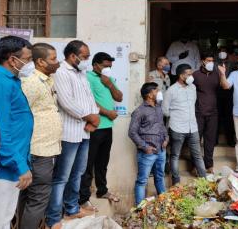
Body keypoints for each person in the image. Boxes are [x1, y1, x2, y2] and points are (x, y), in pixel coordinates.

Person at [45, 40, 100, 229]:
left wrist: (95, 118)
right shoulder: (60, 72)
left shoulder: (81, 72)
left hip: (84, 131)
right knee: (62, 177)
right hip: (69, 132)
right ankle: (53, 218)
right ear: (72, 56)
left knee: (78, 173)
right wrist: (89, 117)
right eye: (85, 56)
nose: (87, 60)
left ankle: (72, 207)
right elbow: (66, 102)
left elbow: (90, 99)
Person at [18, 43, 61, 229]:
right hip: (38, 149)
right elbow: (19, 115)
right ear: (41, 62)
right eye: (53, 59)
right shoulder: (32, 83)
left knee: (31, 198)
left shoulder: (47, 80)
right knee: (38, 198)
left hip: (46, 148)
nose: (57, 62)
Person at [0, 36, 33, 229]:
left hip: (11, 163)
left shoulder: (10, 80)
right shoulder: (0, 83)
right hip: (4, 167)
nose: (30, 64)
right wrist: (18, 164)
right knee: (0, 221)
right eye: (27, 59)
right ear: (12, 59)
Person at [79, 52, 123, 209]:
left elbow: (119, 97)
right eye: (105, 66)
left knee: (102, 162)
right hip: (94, 127)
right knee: (87, 164)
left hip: (107, 128)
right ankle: (83, 198)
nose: (108, 69)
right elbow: (89, 101)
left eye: (110, 67)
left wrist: (109, 84)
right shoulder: (87, 78)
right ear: (95, 65)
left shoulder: (107, 79)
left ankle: (102, 190)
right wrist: (108, 113)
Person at [162, 64, 207, 185]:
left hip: (193, 127)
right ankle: (176, 182)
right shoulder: (171, 90)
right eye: (188, 74)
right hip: (177, 127)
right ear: (181, 75)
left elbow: (193, 103)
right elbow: (165, 111)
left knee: (197, 155)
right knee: (175, 155)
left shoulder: (192, 88)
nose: (191, 76)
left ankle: (205, 181)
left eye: (191, 73)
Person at [128, 82, 168, 206]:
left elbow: (161, 126)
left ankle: (165, 205)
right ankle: (139, 210)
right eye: (156, 90)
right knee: (142, 181)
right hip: (148, 153)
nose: (159, 93)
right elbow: (132, 132)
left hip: (161, 150)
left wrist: (166, 138)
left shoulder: (158, 108)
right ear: (150, 95)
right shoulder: (140, 111)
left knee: (160, 177)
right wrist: (145, 147)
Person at [193, 52, 221, 173]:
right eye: (208, 60)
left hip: (213, 112)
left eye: (212, 60)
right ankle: (195, 166)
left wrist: (223, 74)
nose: (211, 63)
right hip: (198, 112)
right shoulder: (195, 75)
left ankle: (209, 165)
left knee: (210, 140)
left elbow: (225, 88)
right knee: (196, 140)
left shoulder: (217, 74)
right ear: (202, 61)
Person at [216, 46, 237, 147]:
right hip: (217, 91)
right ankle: (215, 140)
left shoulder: (232, 64)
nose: (222, 53)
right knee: (217, 116)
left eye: (224, 51)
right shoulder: (215, 64)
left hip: (229, 91)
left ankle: (230, 140)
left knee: (229, 116)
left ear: (227, 53)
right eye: (221, 51)